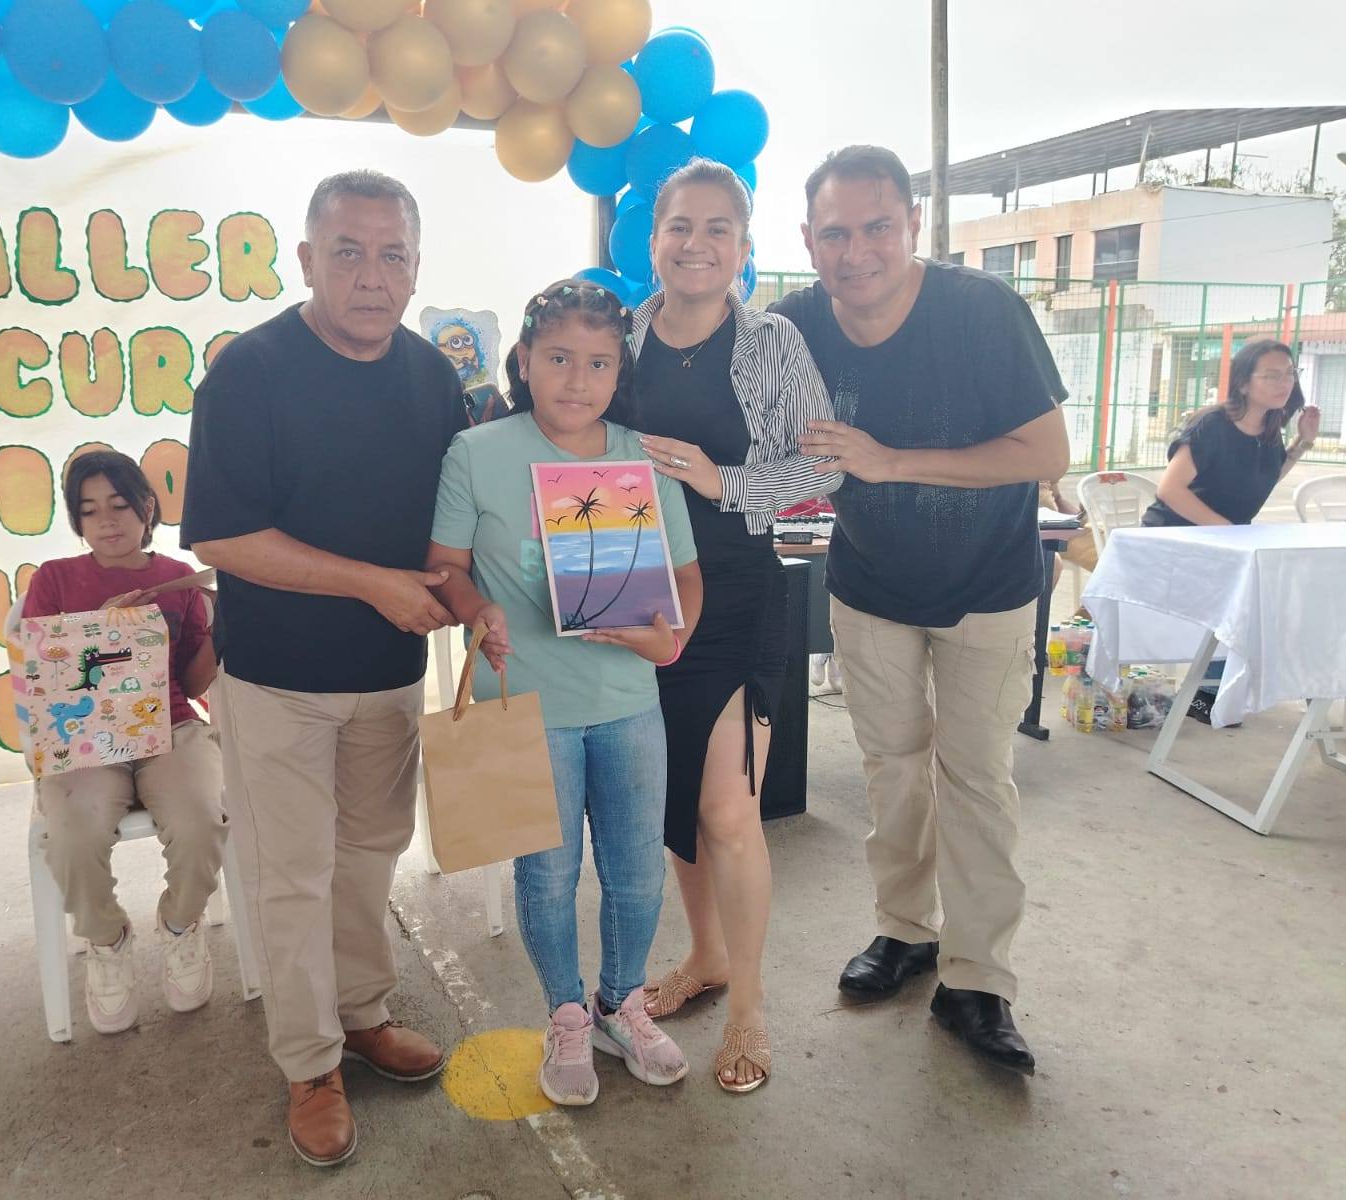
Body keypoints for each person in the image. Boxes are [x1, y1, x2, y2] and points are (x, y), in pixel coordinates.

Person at [181, 170, 466, 1168]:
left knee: (371, 853)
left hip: (391, 675)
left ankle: (362, 1012)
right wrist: (371, 584)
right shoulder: (248, 374)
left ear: (416, 267)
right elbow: (221, 536)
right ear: (306, 260)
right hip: (277, 680)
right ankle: (309, 1065)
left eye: (392, 255)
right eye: (347, 253)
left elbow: (454, 527)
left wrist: (481, 602)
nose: (371, 276)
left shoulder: (432, 378)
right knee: (291, 874)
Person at [775, 145, 1071, 1075]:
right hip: (870, 587)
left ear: (913, 224)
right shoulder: (795, 325)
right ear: (808, 239)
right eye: (834, 233)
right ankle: (905, 929)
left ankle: (978, 979)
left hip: (988, 587)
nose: (856, 251)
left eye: (877, 227)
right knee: (894, 770)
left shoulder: (981, 311)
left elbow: (1046, 452)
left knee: (976, 778)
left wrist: (889, 461)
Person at [427, 279, 703, 1106]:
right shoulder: (476, 452)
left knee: (637, 874)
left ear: (620, 371)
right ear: (523, 360)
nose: (577, 380)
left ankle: (622, 1004)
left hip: (629, 703)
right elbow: (444, 567)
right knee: (546, 876)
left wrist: (670, 636)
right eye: (557, 359)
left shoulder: (642, 457)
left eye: (598, 363)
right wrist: (474, 609)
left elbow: (686, 578)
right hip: (528, 707)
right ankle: (566, 1013)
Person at [628, 159, 840, 1094]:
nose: (697, 243)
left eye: (719, 227)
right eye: (681, 225)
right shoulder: (621, 335)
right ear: (654, 241)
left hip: (737, 598)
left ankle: (748, 1004)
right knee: (675, 804)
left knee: (728, 809)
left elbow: (824, 468)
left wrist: (724, 483)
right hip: (635, 599)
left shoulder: (773, 342)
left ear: (745, 248)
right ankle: (705, 957)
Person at [21, 450, 226, 1034]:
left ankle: (181, 925)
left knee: (201, 819)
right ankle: (106, 940)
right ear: (76, 520)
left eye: (119, 504)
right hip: (84, 736)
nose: (106, 520)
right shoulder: (54, 579)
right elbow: (42, 677)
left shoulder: (180, 578)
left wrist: (227, 628)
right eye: (89, 510)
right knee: (72, 832)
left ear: (147, 508)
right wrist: (96, 634)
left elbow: (193, 683)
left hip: (172, 725)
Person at [1140, 338, 1320, 722]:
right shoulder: (1212, 425)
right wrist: (1229, 533)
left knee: (1284, 586)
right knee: (1255, 592)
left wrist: (1302, 442)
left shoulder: (1269, 428)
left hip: (1224, 543)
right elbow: (1170, 490)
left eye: (1289, 373)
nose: (1284, 382)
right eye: (1271, 375)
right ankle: (1208, 692)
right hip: (1173, 540)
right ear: (1243, 383)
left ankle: (1233, 686)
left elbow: (1265, 478)